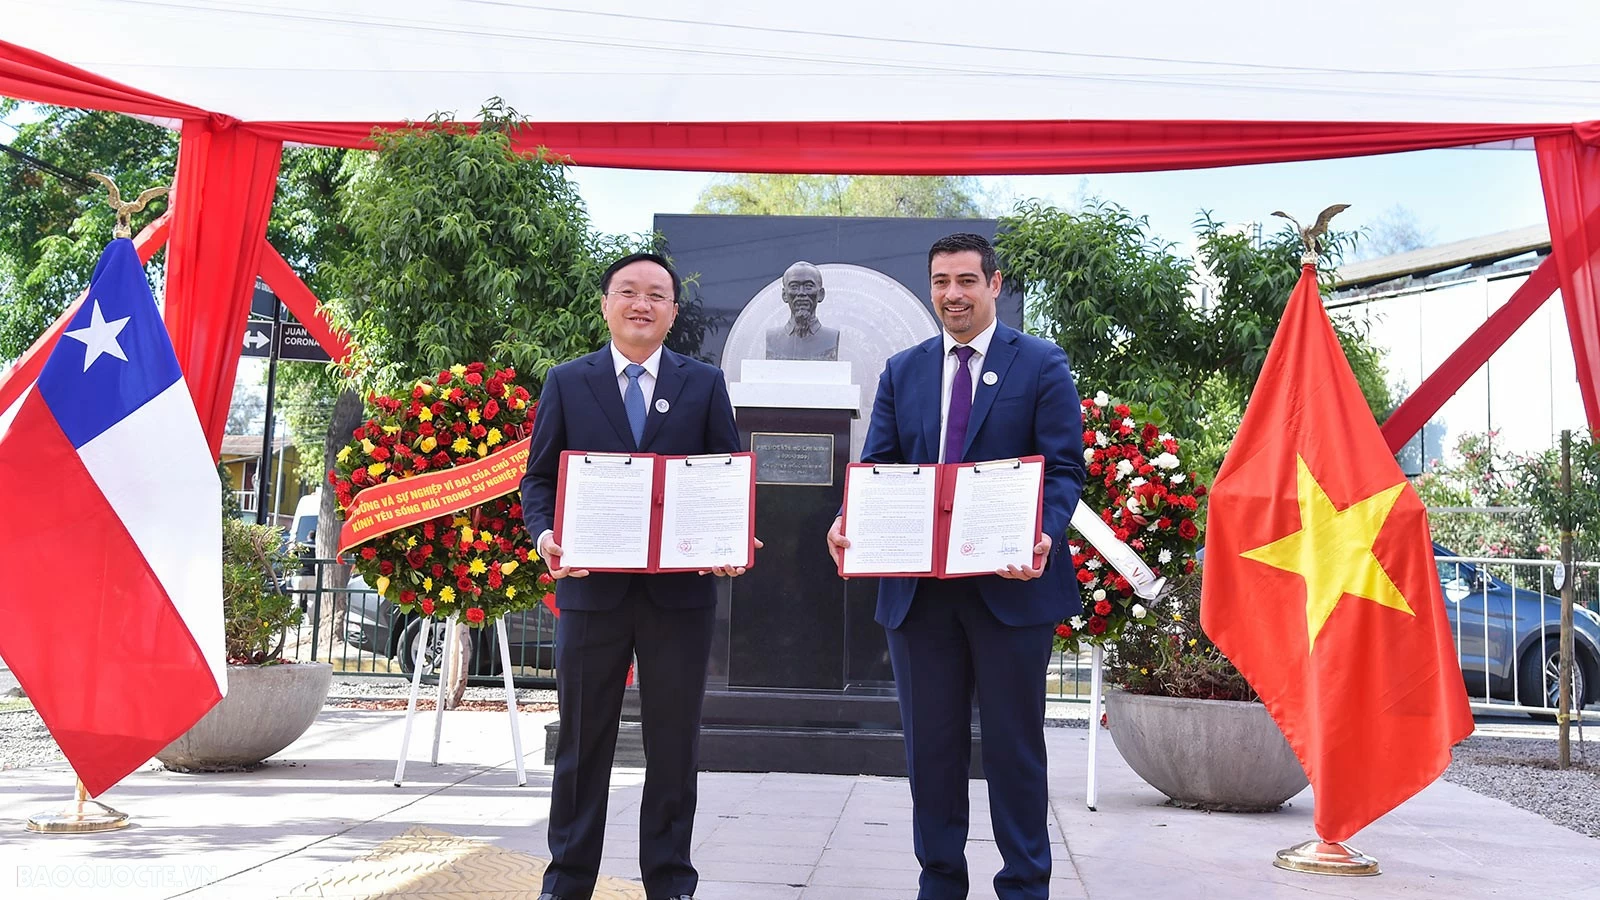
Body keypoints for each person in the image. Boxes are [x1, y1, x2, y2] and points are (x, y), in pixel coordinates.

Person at [826, 233, 1085, 900]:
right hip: (920, 595)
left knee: (1013, 749)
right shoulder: (903, 369)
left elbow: (1063, 469)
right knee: (931, 752)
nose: (953, 295)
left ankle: (1024, 885)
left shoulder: (1041, 364)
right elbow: (880, 464)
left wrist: (1043, 534)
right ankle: (939, 882)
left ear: (993, 284)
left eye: (967, 280)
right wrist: (850, 517)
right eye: (941, 281)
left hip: (1012, 589)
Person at [521, 252, 756, 900]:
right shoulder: (568, 381)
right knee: (581, 745)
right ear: (606, 305)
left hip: (678, 597)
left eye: (656, 294)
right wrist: (545, 537)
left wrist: (730, 537)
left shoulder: (703, 383)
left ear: (673, 312)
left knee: (674, 746)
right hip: (591, 592)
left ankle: (671, 882)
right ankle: (567, 881)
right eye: (628, 291)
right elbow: (538, 479)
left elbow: (725, 473)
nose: (641, 304)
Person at [764, 260, 840, 360]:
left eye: (808, 286)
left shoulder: (830, 338)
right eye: (794, 287)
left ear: (821, 294)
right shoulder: (773, 339)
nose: (801, 293)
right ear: (784, 295)